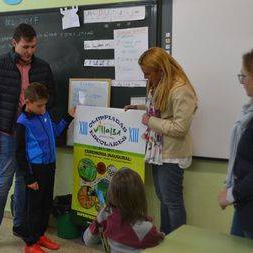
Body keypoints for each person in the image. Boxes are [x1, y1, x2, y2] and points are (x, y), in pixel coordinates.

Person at [0, 23, 56, 253]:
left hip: (31, 137)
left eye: (33, 46)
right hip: (6, 135)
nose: (29, 51)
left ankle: (21, 227)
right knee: (3, 183)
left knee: (25, 184)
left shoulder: (43, 67)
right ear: (14, 43)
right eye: (25, 46)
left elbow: (49, 100)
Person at [124, 47, 197, 234]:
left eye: (148, 74)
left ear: (161, 70)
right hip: (158, 152)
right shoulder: (161, 84)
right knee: (163, 199)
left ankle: (179, 243)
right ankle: (166, 238)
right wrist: (139, 107)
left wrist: (151, 121)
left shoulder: (181, 90)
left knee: (172, 202)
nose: (147, 78)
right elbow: (161, 108)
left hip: (172, 154)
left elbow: (180, 128)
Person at [15, 83, 74, 253]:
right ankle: (30, 243)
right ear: (28, 102)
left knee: (46, 204)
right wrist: (29, 178)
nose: (43, 109)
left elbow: (55, 132)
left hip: (50, 166)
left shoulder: (44, 114)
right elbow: (19, 153)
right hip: (35, 170)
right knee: (33, 207)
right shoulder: (22, 123)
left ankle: (40, 235)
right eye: (39, 105)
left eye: (44, 105)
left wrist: (68, 117)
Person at [83, 168, 165, 252]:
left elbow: (87, 240)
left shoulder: (105, 214)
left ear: (111, 193)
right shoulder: (145, 228)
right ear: (140, 197)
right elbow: (161, 241)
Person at [218, 49, 253, 238]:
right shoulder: (248, 112)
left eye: (244, 76)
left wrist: (231, 195)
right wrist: (229, 184)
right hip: (243, 204)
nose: (242, 82)